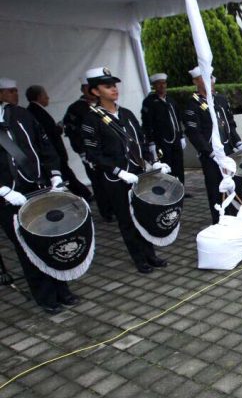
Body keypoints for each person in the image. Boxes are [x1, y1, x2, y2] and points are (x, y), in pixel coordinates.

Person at [81, 67, 171, 274]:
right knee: (127, 220)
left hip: (138, 174)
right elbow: (93, 153)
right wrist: (117, 171)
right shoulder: (91, 119)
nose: (113, 89)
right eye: (107, 86)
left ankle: (151, 254)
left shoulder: (126, 114)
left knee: (143, 215)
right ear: (95, 92)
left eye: (114, 85)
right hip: (116, 179)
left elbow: (140, 140)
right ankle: (140, 259)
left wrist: (152, 162)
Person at [1, 77, 80, 314]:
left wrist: (55, 174)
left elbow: (44, 146)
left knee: (50, 239)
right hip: (8, 197)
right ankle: (45, 296)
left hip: (38, 188)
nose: (14, 95)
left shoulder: (22, 115)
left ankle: (61, 288)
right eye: (9, 91)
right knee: (26, 247)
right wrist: (2, 190)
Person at [183, 67, 242, 224]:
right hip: (211, 157)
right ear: (196, 81)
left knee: (233, 186)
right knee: (216, 190)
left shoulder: (220, 99)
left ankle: (235, 217)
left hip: (228, 151)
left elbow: (229, 124)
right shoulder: (192, 105)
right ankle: (220, 221)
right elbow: (194, 133)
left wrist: (238, 142)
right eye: (204, 78)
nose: (209, 81)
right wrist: (209, 153)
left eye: (210, 77)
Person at [25, 85, 93, 202]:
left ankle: (84, 194)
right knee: (66, 175)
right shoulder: (35, 112)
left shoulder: (35, 110)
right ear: (39, 96)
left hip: (54, 152)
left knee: (66, 175)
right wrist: (59, 128)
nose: (48, 98)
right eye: (45, 95)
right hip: (53, 152)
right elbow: (48, 133)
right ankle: (85, 194)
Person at [64, 78, 114, 222]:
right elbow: (71, 131)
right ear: (83, 90)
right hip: (89, 153)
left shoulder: (103, 104)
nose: (90, 91)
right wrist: (81, 152)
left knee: (112, 180)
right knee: (98, 183)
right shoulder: (76, 108)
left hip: (108, 151)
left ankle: (118, 207)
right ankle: (106, 211)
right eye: (87, 88)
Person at [141, 73, 186, 186]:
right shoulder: (149, 102)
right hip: (161, 141)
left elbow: (177, 119)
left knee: (178, 164)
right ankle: (169, 190)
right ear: (154, 86)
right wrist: (150, 142)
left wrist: (181, 136)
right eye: (158, 84)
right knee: (167, 165)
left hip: (175, 139)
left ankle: (180, 187)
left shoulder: (171, 100)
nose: (161, 86)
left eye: (163, 83)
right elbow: (147, 123)